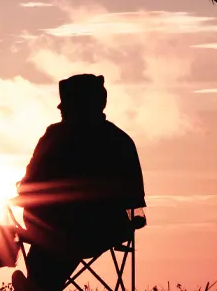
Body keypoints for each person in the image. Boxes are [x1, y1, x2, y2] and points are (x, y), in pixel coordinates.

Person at [11, 74, 146, 291]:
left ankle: (37, 287)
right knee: (59, 241)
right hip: (107, 231)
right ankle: (38, 286)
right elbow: (134, 199)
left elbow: (28, 187)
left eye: (65, 106)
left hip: (58, 230)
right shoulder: (120, 140)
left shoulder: (54, 137)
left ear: (76, 106)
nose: (61, 111)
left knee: (52, 240)